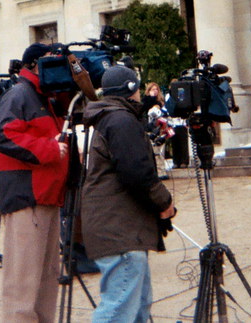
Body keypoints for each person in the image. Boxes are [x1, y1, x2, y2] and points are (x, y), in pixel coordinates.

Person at [82, 66, 175, 323]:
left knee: (137, 310)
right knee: (118, 311)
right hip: (119, 230)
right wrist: (164, 202)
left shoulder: (112, 117)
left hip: (121, 227)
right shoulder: (120, 120)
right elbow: (137, 173)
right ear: (131, 89)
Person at [0, 42, 69, 323]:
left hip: (47, 196)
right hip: (28, 197)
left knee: (46, 283)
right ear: (36, 64)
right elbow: (1, 135)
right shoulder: (20, 94)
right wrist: (49, 149)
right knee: (22, 285)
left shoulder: (45, 97)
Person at [143, 83, 171, 180]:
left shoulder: (160, 103)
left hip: (160, 129)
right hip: (150, 129)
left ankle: (161, 171)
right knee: (154, 152)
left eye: (156, 89)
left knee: (160, 152)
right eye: (153, 89)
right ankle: (157, 172)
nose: (155, 91)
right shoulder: (145, 102)